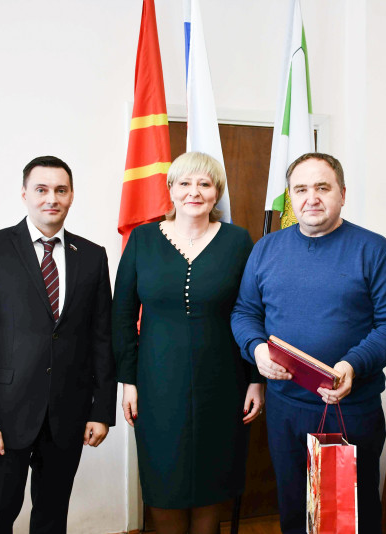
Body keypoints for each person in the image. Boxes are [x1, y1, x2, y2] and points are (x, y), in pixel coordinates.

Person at [231, 152, 386, 534]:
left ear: (342, 193)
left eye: (322, 187)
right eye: (301, 189)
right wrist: (257, 350)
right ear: (291, 198)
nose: (312, 198)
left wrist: (353, 364)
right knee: (296, 512)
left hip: (349, 410)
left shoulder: (375, 250)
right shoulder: (265, 249)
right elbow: (244, 313)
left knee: (350, 518)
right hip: (285, 410)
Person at [0, 155, 117, 533]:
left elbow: (101, 337)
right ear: (24, 194)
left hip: (67, 414)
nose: (51, 198)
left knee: (51, 519)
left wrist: (101, 410)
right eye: (41, 189)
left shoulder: (92, 256)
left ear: (72, 195)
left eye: (61, 190)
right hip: (3, 416)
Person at [112, 152, 264, 534]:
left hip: (223, 385)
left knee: (212, 486)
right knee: (164, 484)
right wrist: (127, 381)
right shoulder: (143, 239)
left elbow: (253, 312)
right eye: (184, 183)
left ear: (216, 193)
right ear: (171, 190)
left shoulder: (238, 241)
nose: (194, 192)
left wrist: (255, 380)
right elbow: (122, 315)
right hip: (156, 385)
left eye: (204, 184)